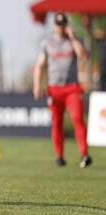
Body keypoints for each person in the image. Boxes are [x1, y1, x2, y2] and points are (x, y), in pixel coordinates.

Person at [33, 13, 92, 168]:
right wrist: (37, 85)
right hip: (54, 88)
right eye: (58, 24)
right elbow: (40, 64)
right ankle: (59, 156)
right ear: (54, 26)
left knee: (77, 118)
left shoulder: (74, 40)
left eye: (63, 24)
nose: (61, 28)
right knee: (56, 122)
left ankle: (84, 154)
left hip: (72, 87)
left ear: (66, 25)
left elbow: (83, 55)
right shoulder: (47, 42)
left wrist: (72, 37)